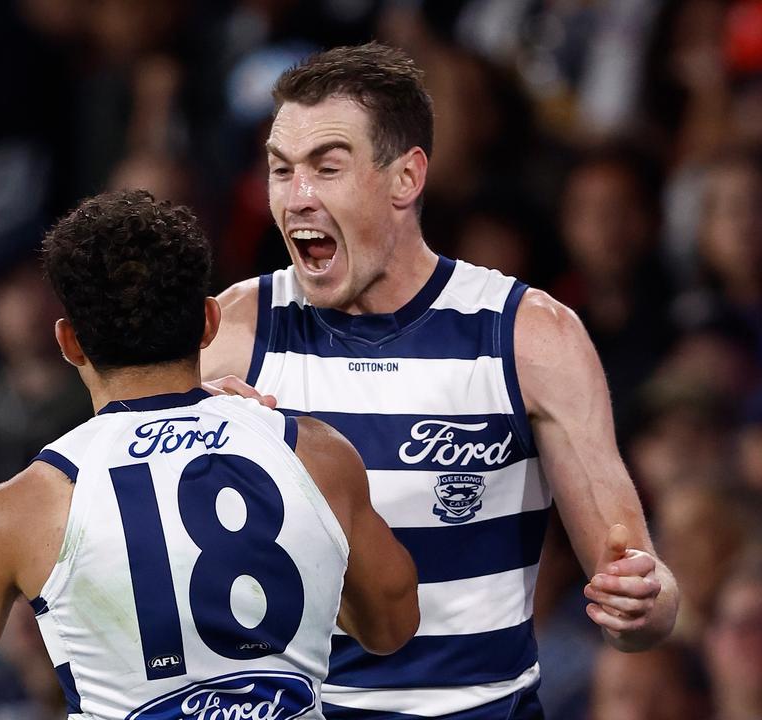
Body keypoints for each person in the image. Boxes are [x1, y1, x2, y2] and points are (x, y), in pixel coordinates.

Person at [202, 42, 680, 718]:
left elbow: (634, 572)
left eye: (326, 168)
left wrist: (646, 601)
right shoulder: (231, 334)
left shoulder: (528, 335)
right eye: (282, 171)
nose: (298, 197)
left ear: (405, 178)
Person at [0, 190, 419, 718]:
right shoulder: (314, 453)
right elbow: (393, 627)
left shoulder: (23, 507)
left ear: (68, 341)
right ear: (210, 320)